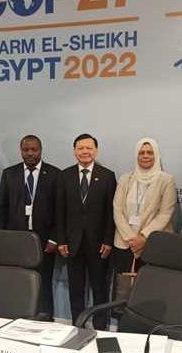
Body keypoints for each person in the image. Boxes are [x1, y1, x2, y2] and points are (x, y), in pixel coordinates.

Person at [0, 135, 60, 319]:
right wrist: (4, 238)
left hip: (44, 240)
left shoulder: (54, 174)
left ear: (40, 150)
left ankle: (46, 319)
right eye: (26, 149)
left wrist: (54, 239)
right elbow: (0, 208)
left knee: (43, 282)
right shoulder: (9, 173)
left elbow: (59, 210)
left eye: (34, 149)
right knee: (17, 281)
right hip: (16, 240)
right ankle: (19, 318)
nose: (30, 153)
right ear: (21, 151)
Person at [56, 133, 116, 329]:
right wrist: (61, 240)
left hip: (99, 245)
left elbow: (111, 213)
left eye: (89, 148)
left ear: (95, 151)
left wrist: (108, 240)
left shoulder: (107, 176)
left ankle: (100, 327)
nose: (85, 151)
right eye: (80, 148)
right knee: (76, 289)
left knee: (100, 288)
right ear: (74, 151)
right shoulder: (64, 176)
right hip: (72, 244)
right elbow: (59, 211)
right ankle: (77, 326)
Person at [113, 138, 176, 278]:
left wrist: (143, 237)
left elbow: (165, 214)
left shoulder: (166, 180)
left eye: (150, 152)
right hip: (125, 243)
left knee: (151, 286)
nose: (145, 156)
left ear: (156, 155)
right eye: (141, 153)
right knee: (124, 288)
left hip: (153, 243)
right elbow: (117, 211)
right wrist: (131, 239)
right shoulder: (125, 179)